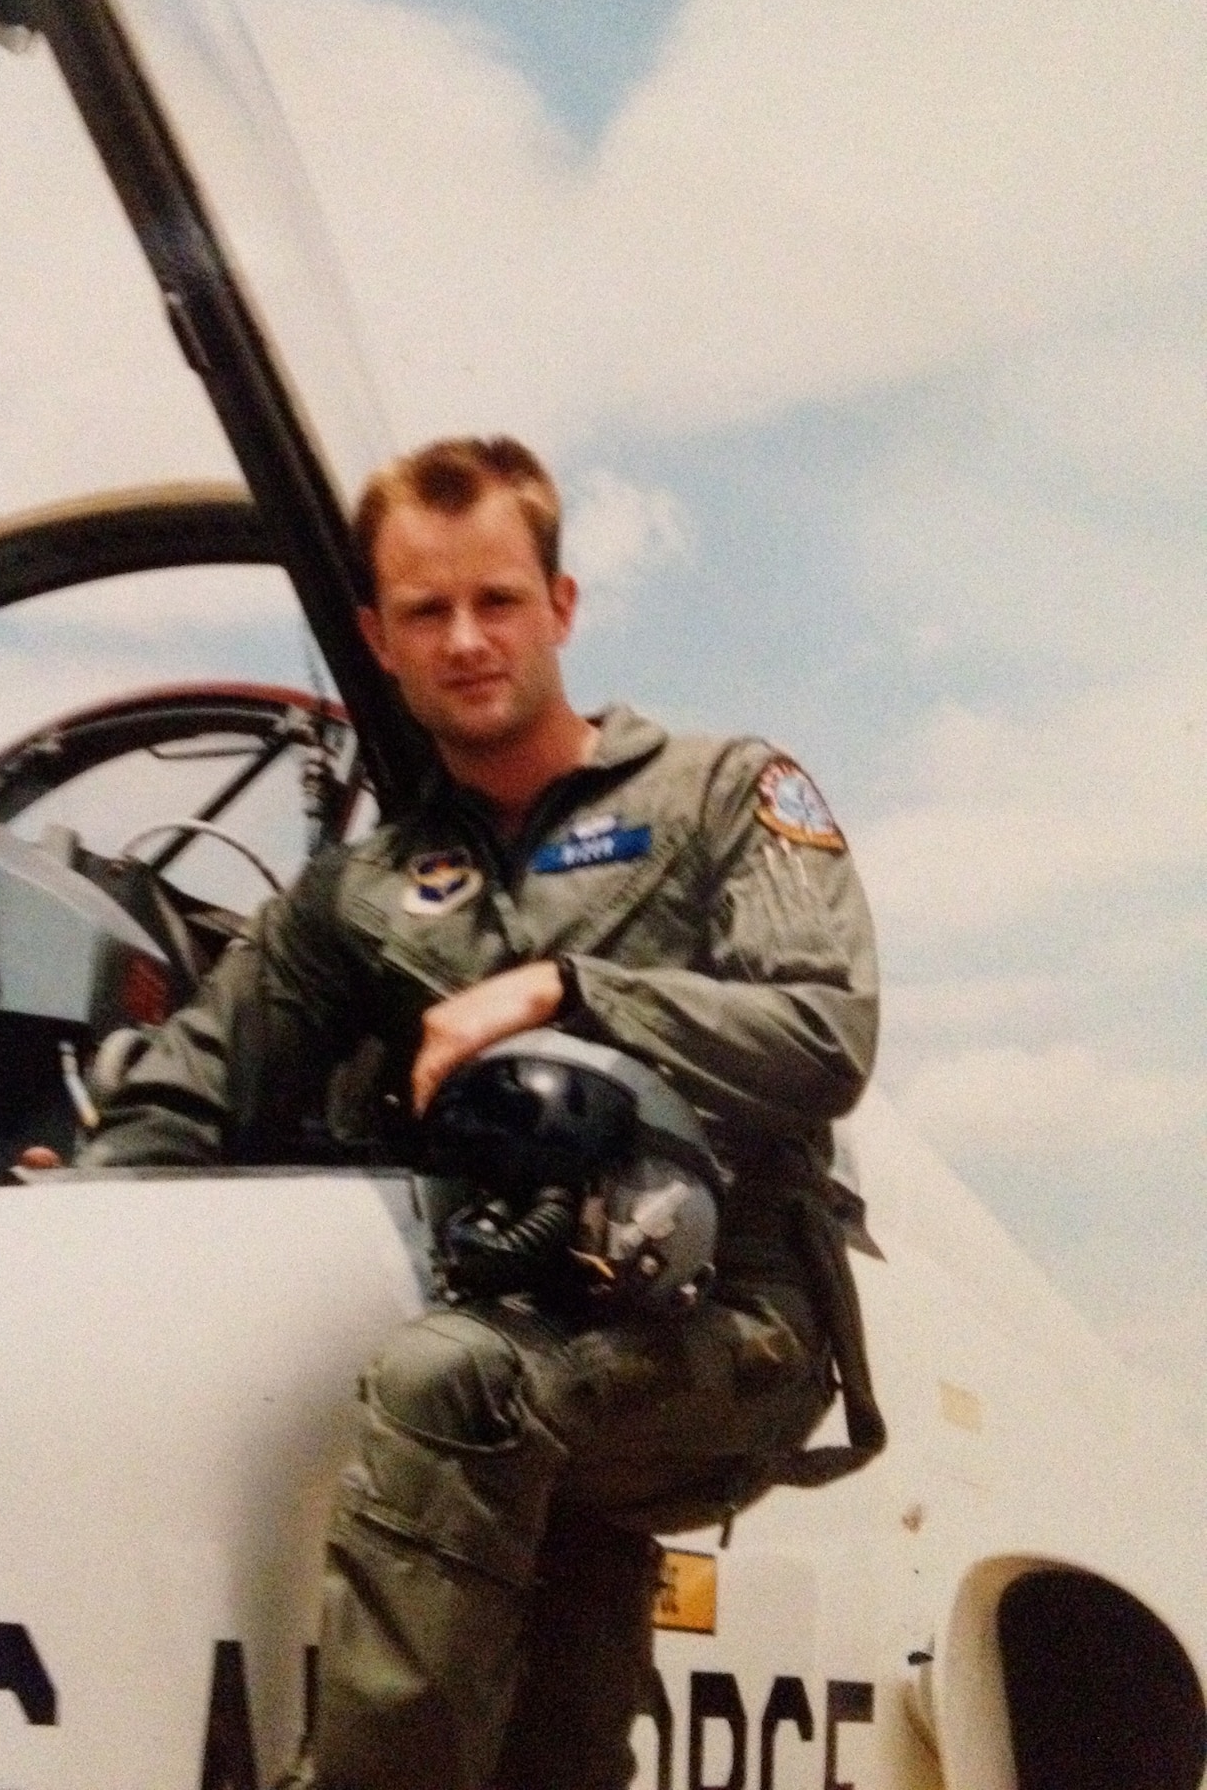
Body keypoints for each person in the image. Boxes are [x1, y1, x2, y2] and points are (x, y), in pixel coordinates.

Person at [80, 436, 881, 1790]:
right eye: (425, 612)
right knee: (550, 1740)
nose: (464, 639)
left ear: (560, 608)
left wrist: (563, 991)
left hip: (732, 1332)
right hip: (530, 1333)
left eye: (497, 601)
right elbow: (193, 1090)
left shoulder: (721, 797)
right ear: (375, 640)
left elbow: (825, 1033)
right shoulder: (362, 895)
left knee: (444, 1384)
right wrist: (73, 1211)